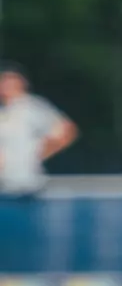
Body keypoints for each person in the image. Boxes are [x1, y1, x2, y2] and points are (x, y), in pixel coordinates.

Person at [0, 63, 79, 196]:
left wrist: (38, 154)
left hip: (26, 184)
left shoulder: (32, 107)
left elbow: (67, 130)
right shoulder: (4, 112)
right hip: (4, 183)